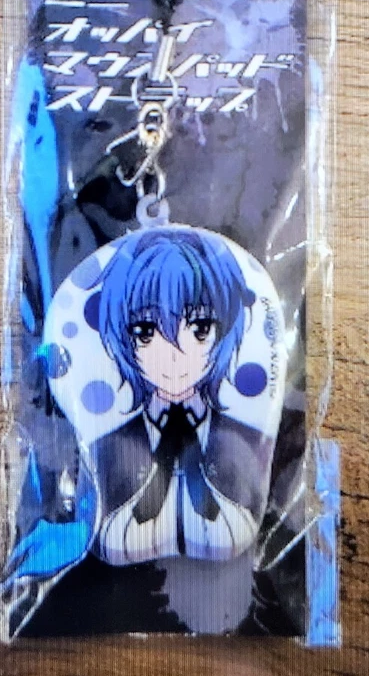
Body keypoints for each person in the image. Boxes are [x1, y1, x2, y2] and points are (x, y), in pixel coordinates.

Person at [88, 228, 273, 566]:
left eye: (200, 329)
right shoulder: (107, 446)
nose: (174, 355)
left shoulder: (243, 438)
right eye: (146, 332)